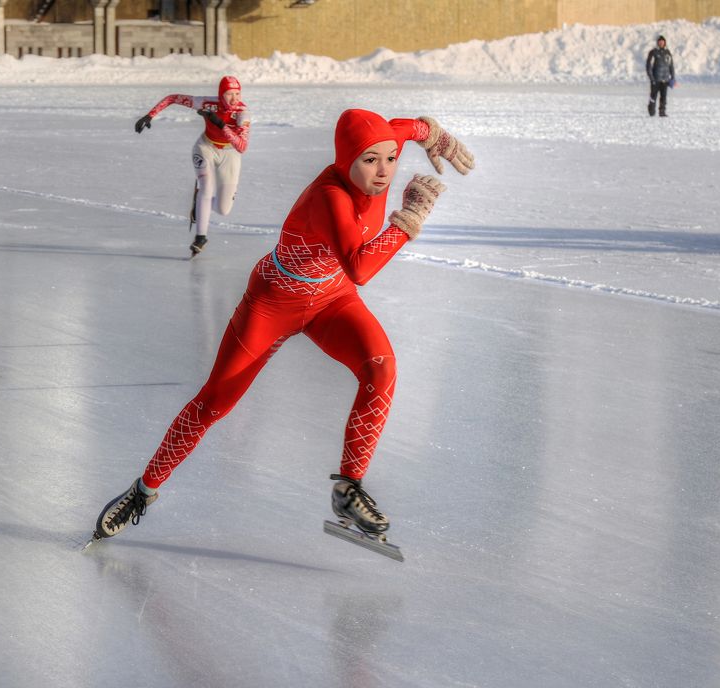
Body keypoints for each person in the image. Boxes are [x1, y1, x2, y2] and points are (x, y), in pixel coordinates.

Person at [91, 109, 475, 545]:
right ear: (347, 160)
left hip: (331, 299)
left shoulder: (386, 148)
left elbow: (406, 128)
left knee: (381, 369)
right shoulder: (331, 197)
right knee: (213, 403)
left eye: (390, 158)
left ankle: (349, 487)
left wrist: (432, 135)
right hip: (274, 302)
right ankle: (143, 491)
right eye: (370, 160)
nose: (384, 170)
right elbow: (362, 267)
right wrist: (408, 220)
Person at [134, 75, 251, 256]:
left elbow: (241, 147)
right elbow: (173, 98)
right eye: (229, 94)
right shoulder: (205, 103)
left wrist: (220, 124)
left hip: (230, 154)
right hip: (205, 147)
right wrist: (150, 115)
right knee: (206, 187)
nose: (234, 99)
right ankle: (200, 237)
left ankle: (200, 204)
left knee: (223, 209)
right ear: (221, 94)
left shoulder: (242, 112)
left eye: (237, 93)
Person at [646, 35, 676, 117]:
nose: (661, 43)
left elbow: (671, 66)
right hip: (656, 79)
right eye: (659, 42)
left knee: (663, 97)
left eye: (662, 42)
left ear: (665, 43)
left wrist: (673, 78)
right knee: (653, 96)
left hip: (665, 80)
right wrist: (651, 78)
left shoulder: (668, 53)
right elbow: (648, 66)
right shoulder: (653, 52)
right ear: (657, 43)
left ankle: (662, 111)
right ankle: (651, 109)